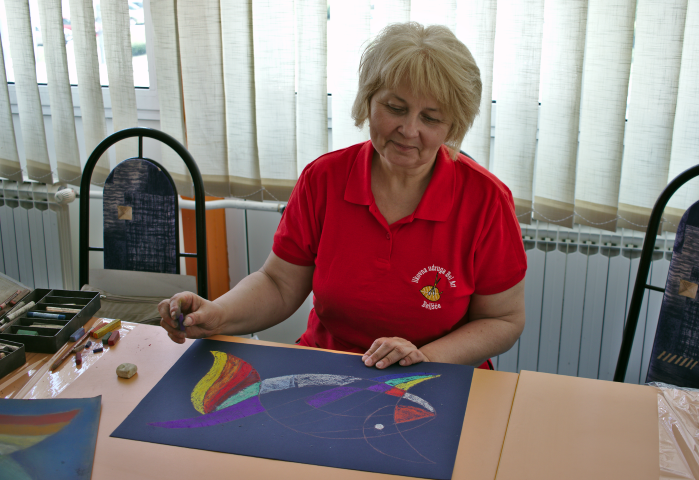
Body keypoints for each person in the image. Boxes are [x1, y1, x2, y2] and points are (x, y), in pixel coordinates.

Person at [159, 22, 527, 371]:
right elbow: (279, 284)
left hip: (440, 375)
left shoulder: (487, 200)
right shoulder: (323, 179)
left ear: (454, 125)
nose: (408, 129)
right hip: (330, 366)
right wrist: (217, 314)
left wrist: (423, 357)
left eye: (431, 118)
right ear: (368, 101)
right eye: (395, 108)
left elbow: (503, 320)